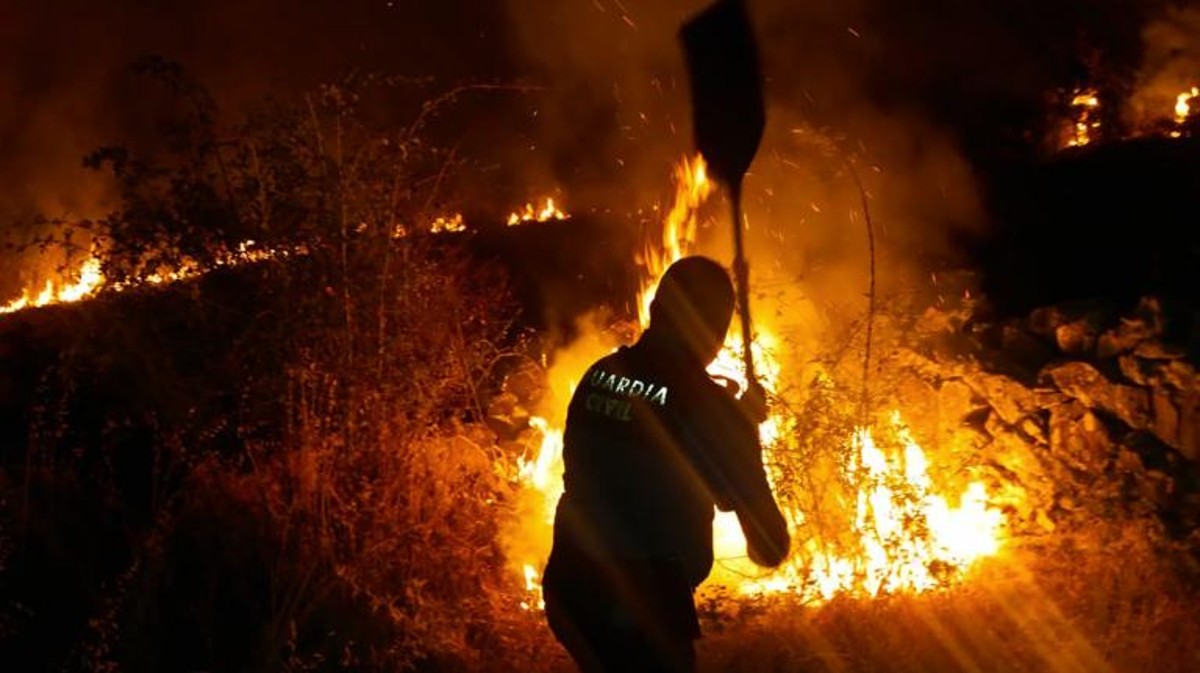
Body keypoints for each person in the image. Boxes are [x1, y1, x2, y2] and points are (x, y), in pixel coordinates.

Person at [543, 255, 790, 672]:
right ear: (717, 333)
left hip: (570, 587)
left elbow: (658, 416)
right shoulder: (714, 413)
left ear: (655, 310)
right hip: (642, 605)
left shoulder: (600, 374)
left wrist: (730, 420)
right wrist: (743, 436)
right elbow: (768, 547)